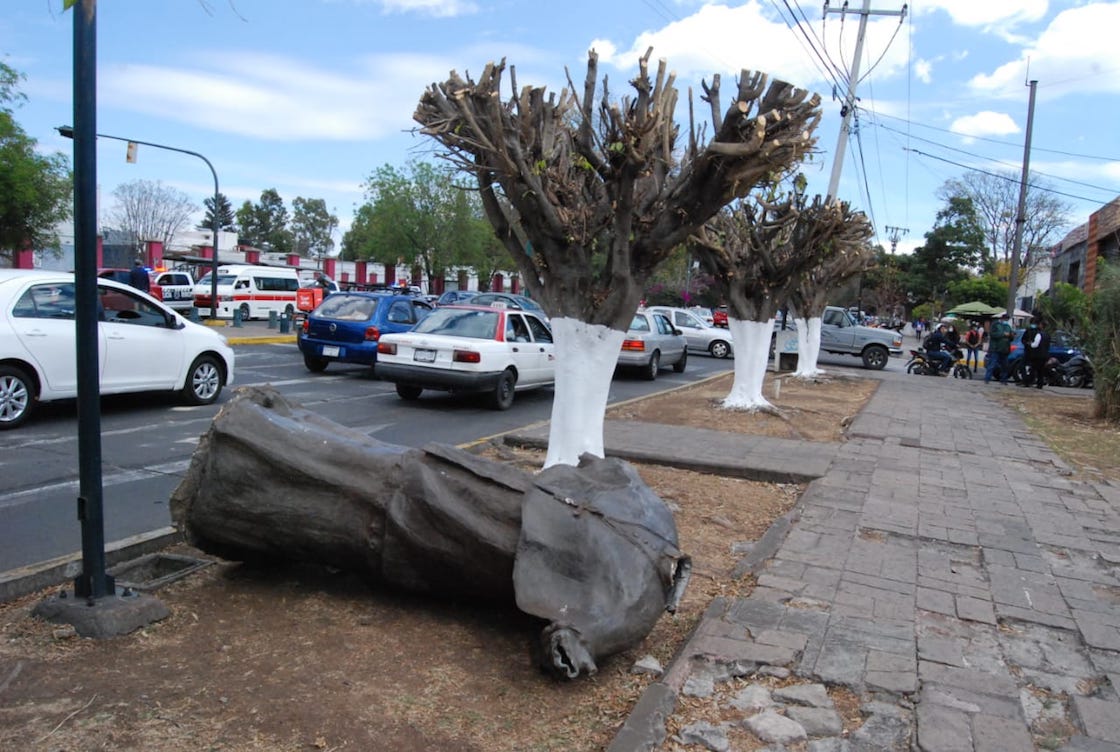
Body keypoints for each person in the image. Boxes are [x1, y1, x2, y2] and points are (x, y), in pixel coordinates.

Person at [1020, 318, 1051, 389]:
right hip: (1045, 355)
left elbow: (1035, 344)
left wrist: (1029, 344)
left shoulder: (1039, 334)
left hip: (1037, 355)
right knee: (1041, 370)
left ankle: (1028, 382)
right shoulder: (1047, 335)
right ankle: (1039, 384)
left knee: (1033, 369)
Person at [985, 312, 1014, 385]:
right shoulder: (996, 325)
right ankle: (987, 379)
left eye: (1007, 319)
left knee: (1005, 366)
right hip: (996, 348)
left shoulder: (1008, 326)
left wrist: (1011, 335)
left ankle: (1003, 380)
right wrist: (1003, 334)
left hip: (1005, 349)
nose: (1006, 320)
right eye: (1005, 319)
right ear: (1002, 318)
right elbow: (992, 334)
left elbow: (1011, 337)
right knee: (992, 364)